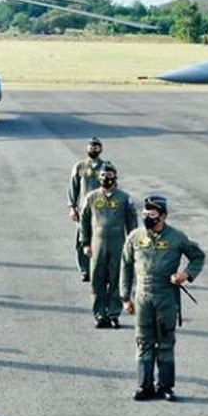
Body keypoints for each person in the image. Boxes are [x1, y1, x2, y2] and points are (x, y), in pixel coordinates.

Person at [119, 196, 205, 402]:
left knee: (166, 343)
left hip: (166, 296)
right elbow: (126, 266)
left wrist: (185, 275)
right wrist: (125, 297)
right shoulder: (135, 237)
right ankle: (144, 385)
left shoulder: (176, 237)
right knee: (143, 342)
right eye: (145, 213)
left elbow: (198, 256)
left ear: (163, 216)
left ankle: (165, 386)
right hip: (142, 297)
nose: (148, 217)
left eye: (153, 214)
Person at [81, 163, 137, 328]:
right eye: (104, 176)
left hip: (118, 243)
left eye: (110, 176)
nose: (107, 179)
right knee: (97, 279)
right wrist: (85, 243)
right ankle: (100, 315)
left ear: (115, 178)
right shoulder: (91, 197)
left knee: (116, 278)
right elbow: (84, 221)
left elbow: (132, 221)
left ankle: (114, 314)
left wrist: (132, 244)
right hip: (97, 244)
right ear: (99, 178)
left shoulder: (124, 198)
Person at [67, 137, 106, 282]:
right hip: (83, 211)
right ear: (87, 149)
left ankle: (99, 269)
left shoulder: (106, 167)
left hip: (102, 212)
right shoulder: (80, 167)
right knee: (82, 240)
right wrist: (72, 207)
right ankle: (85, 270)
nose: (93, 150)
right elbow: (73, 188)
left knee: (101, 240)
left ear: (100, 149)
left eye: (96, 148)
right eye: (91, 147)